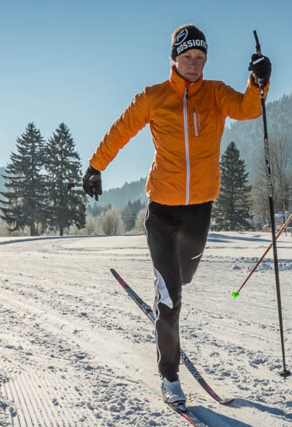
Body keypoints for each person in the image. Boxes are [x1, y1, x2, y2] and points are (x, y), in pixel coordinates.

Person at [84, 24, 271, 406]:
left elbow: (249, 110)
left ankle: (164, 293)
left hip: (200, 210)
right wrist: (95, 165)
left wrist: (258, 82)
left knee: (183, 278)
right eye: (187, 57)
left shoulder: (216, 94)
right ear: (174, 58)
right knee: (171, 298)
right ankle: (170, 377)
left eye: (200, 58)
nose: (194, 64)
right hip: (163, 212)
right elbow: (121, 130)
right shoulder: (154, 98)